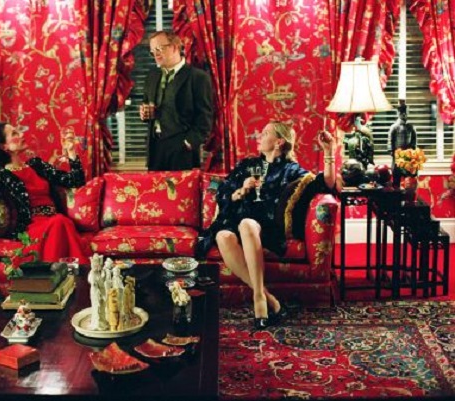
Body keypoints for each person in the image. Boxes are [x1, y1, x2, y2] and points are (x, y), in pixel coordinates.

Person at [197, 121, 337, 330]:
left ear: (279, 142)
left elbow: (326, 183)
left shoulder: (290, 170)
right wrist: (241, 190)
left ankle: (258, 299)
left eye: (265, 133)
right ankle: (267, 296)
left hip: (265, 223)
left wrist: (329, 151)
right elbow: (224, 191)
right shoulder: (248, 165)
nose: (259, 137)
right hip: (234, 216)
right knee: (222, 236)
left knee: (247, 225)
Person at [0, 122, 88, 265]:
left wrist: (71, 151)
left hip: (54, 220)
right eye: (14, 134)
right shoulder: (1, 175)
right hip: (31, 226)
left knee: (62, 222)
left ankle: (69, 273)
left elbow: (75, 180)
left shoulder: (36, 165)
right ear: (3, 147)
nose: (22, 135)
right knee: (60, 222)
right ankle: (66, 272)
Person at [139, 30, 213, 171]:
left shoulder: (198, 77)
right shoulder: (152, 76)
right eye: (152, 51)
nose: (155, 54)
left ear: (174, 47)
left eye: (159, 48)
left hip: (183, 149)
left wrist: (188, 143)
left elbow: (205, 119)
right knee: (155, 186)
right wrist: (144, 113)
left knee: (182, 187)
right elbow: (147, 104)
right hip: (155, 147)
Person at [388, 100, 417, 187]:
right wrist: (391, 151)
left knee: (409, 179)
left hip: (408, 155)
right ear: (398, 113)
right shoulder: (394, 127)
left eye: (405, 112)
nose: (404, 114)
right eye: (402, 112)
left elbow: (414, 139)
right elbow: (390, 140)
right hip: (397, 154)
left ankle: (408, 193)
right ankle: (396, 192)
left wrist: (413, 150)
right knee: (396, 176)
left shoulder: (411, 127)